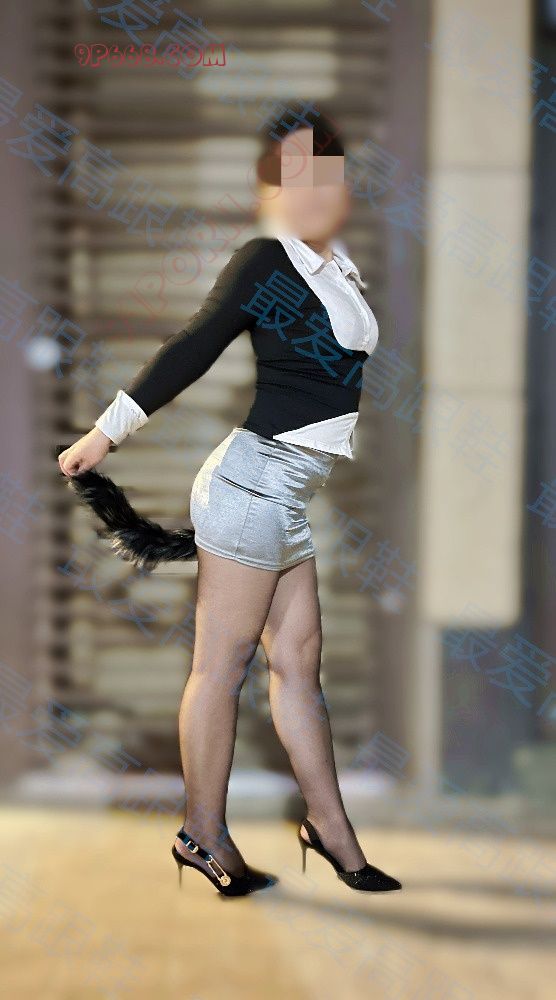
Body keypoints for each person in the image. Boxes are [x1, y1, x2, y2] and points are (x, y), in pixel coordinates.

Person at [58, 107, 402, 896]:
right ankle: (201, 834)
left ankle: (329, 829)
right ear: (270, 187)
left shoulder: (334, 266)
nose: (312, 189)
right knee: (220, 667)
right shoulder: (266, 260)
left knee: (298, 668)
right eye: (293, 174)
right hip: (251, 487)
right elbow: (194, 343)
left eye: (327, 173)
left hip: (286, 497)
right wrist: (106, 434)